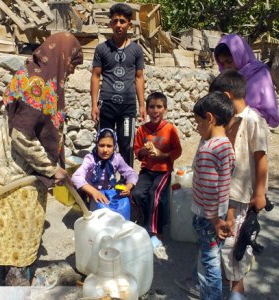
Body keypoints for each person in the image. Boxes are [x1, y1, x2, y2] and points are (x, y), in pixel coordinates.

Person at [0, 32, 83, 286]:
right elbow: (22, 137)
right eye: (71, 63)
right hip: (19, 177)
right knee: (19, 239)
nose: (70, 71)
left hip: (14, 172)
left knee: (6, 235)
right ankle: (13, 288)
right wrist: (51, 168)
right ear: (61, 56)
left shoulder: (32, 75)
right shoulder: (35, 84)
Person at [209, 70, 269, 300]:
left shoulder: (253, 120)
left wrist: (260, 193)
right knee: (225, 242)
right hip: (225, 193)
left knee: (236, 247)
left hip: (242, 195)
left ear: (226, 95)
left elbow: (260, 159)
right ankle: (228, 284)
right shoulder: (229, 120)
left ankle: (237, 290)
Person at [191, 91, 236, 300]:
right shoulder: (227, 145)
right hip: (219, 212)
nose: (197, 127)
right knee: (210, 259)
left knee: (210, 266)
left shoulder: (208, 149)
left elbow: (209, 191)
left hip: (208, 218)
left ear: (209, 118)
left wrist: (216, 221)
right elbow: (224, 183)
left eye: (198, 122)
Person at [90, 2, 146, 168]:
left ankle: (125, 184)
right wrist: (94, 104)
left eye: (122, 21)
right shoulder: (102, 49)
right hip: (106, 105)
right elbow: (95, 76)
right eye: (115, 21)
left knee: (126, 146)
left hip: (127, 108)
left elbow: (139, 78)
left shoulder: (136, 50)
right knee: (104, 144)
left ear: (129, 24)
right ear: (110, 23)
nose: (118, 25)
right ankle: (103, 180)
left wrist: (141, 105)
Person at [132, 92, 182, 259]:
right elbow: (137, 152)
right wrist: (143, 151)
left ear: (165, 109)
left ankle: (155, 231)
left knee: (155, 195)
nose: (155, 110)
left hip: (163, 170)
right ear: (146, 109)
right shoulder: (141, 130)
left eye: (159, 107)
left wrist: (163, 155)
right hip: (147, 169)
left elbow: (177, 150)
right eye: (152, 107)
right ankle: (144, 218)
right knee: (137, 193)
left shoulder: (169, 129)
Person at [214, 33, 279, 128]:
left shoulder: (259, 73)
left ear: (239, 56)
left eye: (229, 61)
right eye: (222, 63)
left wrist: (244, 115)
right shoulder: (226, 78)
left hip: (253, 129)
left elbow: (270, 112)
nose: (226, 67)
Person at [71, 128, 138, 207]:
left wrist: (128, 186)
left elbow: (131, 173)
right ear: (97, 145)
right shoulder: (90, 159)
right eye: (101, 145)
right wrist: (93, 192)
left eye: (109, 146)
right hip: (89, 191)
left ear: (114, 146)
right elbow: (76, 177)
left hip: (108, 190)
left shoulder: (117, 158)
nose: (105, 150)